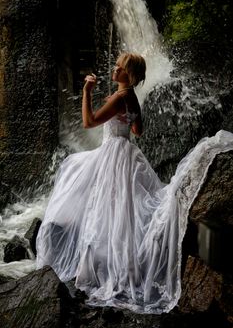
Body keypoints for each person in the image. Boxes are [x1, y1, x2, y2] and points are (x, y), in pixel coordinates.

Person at [36, 52, 233, 314]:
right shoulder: (131, 98)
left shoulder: (119, 97)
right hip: (127, 153)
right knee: (123, 212)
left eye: (119, 67)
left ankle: (103, 269)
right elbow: (137, 131)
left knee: (99, 203)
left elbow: (89, 121)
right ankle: (122, 266)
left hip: (111, 155)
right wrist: (122, 118)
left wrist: (86, 90)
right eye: (117, 66)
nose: (114, 70)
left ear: (129, 74)